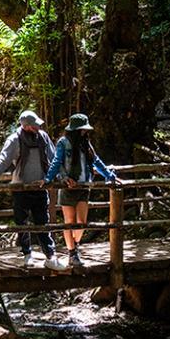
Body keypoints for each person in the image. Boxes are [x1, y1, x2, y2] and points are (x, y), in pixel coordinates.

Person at [0, 110, 65, 270]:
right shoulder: (14, 140)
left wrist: (61, 176)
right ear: (25, 126)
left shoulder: (43, 137)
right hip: (20, 187)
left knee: (43, 222)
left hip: (40, 187)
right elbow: (3, 160)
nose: (37, 128)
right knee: (22, 223)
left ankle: (50, 256)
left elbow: (54, 157)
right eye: (34, 125)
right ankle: (27, 254)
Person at [44, 113, 119, 268]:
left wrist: (109, 175)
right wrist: (53, 178)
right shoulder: (63, 143)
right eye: (83, 129)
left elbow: (95, 160)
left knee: (82, 223)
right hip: (68, 187)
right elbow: (57, 162)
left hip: (84, 186)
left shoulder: (86, 143)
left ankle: (75, 244)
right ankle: (72, 253)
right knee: (69, 222)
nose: (85, 132)